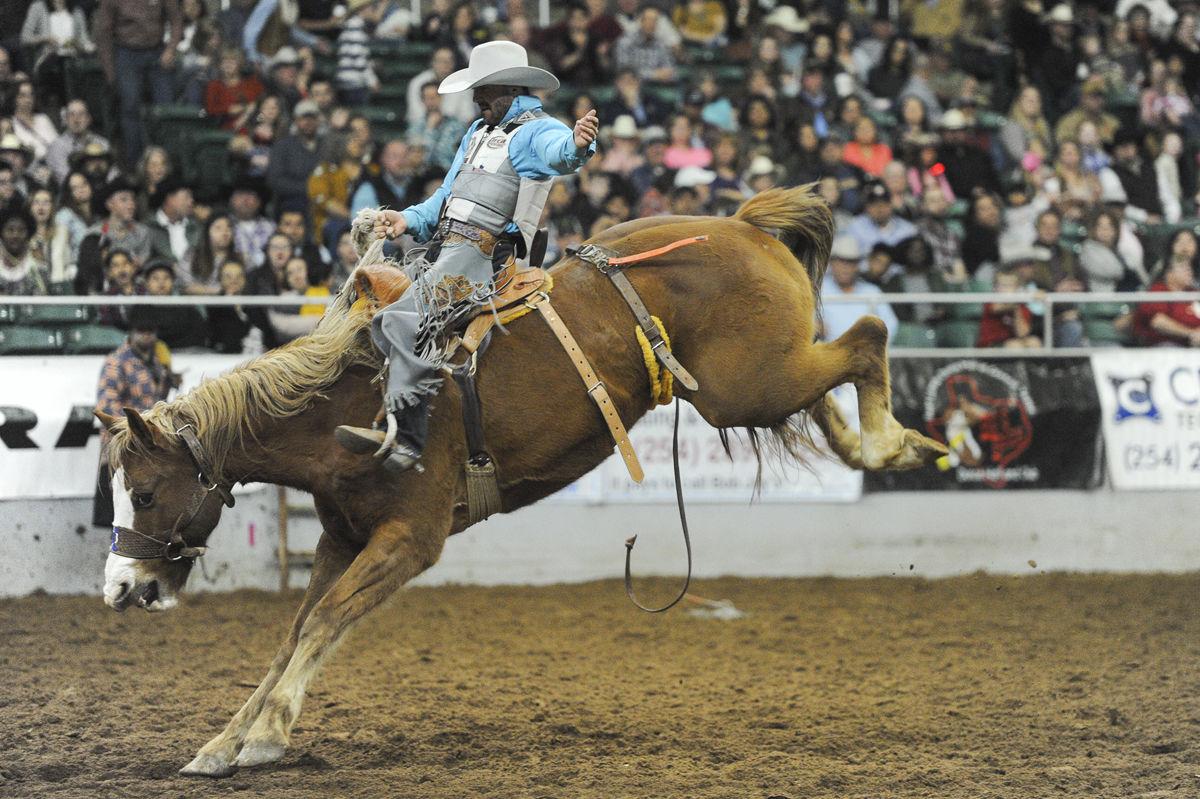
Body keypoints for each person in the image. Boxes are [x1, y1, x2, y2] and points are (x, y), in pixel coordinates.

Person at [335, 40, 599, 473]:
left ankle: (410, 440)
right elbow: (444, 197)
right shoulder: (477, 133)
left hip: (480, 257)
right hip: (443, 250)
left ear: (511, 89)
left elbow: (560, 153)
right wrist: (406, 220)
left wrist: (576, 143)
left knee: (402, 320)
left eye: (484, 91)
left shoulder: (536, 129)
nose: (476, 99)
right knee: (374, 314)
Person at [93, 304, 180, 526]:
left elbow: (156, 402)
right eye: (142, 330)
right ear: (131, 331)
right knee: (122, 519)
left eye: (150, 330)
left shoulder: (158, 362)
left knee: (148, 517)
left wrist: (168, 382)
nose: (147, 334)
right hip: (124, 450)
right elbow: (107, 408)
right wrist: (140, 431)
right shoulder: (116, 362)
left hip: (151, 450)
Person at [93, 0, 183, 166]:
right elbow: (102, 34)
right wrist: (111, 73)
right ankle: (136, 164)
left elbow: (176, 19)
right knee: (130, 108)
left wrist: (171, 48)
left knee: (166, 108)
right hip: (126, 52)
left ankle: (167, 161)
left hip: (157, 50)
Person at [819, 234, 898, 343]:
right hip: (827, 355)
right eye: (841, 261)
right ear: (831, 263)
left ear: (858, 265)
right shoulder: (818, 290)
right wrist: (815, 327)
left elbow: (891, 324)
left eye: (851, 262)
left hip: (863, 356)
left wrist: (874, 348)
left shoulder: (872, 291)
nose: (845, 267)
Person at [267, 99, 325, 212]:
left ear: (318, 120)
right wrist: (310, 188)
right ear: (296, 121)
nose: (308, 122)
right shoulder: (283, 146)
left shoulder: (327, 145)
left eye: (312, 118)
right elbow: (275, 181)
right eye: (304, 118)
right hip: (292, 202)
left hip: (323, 202)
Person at [1134, 255, 1200, 346]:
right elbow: (1158, 322)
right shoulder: (1159, 291)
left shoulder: (1193, 293)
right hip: (1167, 345)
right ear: (1169, 274)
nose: (1189, 272)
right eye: (1183, 268)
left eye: (1189, 268)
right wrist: (1191, 333)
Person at [43, 101, 109, 186]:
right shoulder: (57, 147)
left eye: (81, 114)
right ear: (66, 120)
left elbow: (112, 174)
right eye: (72, 115)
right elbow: (65, 179)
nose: (76, 119)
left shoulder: (103, 143)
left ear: (89, 119)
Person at [977, 268, 1040, 349]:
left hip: (1012, 342)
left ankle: (1032, 362)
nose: (1004, 289)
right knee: (1015, 346)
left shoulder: (1021, 306)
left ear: (1017, 288)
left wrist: (1017, 309)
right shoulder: (991, 302)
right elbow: (997, 308)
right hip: (990, 345)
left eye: (1009, 285)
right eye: (1000, 285)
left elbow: (1022, 334)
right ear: (995, 288)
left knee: (1034, 342)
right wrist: (1029, 294)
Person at [0, 205, 48, 296]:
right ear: (1, 234)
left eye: (21, 230)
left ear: (29, 234)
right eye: (10, 230)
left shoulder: (39, 269)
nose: (15, 235)